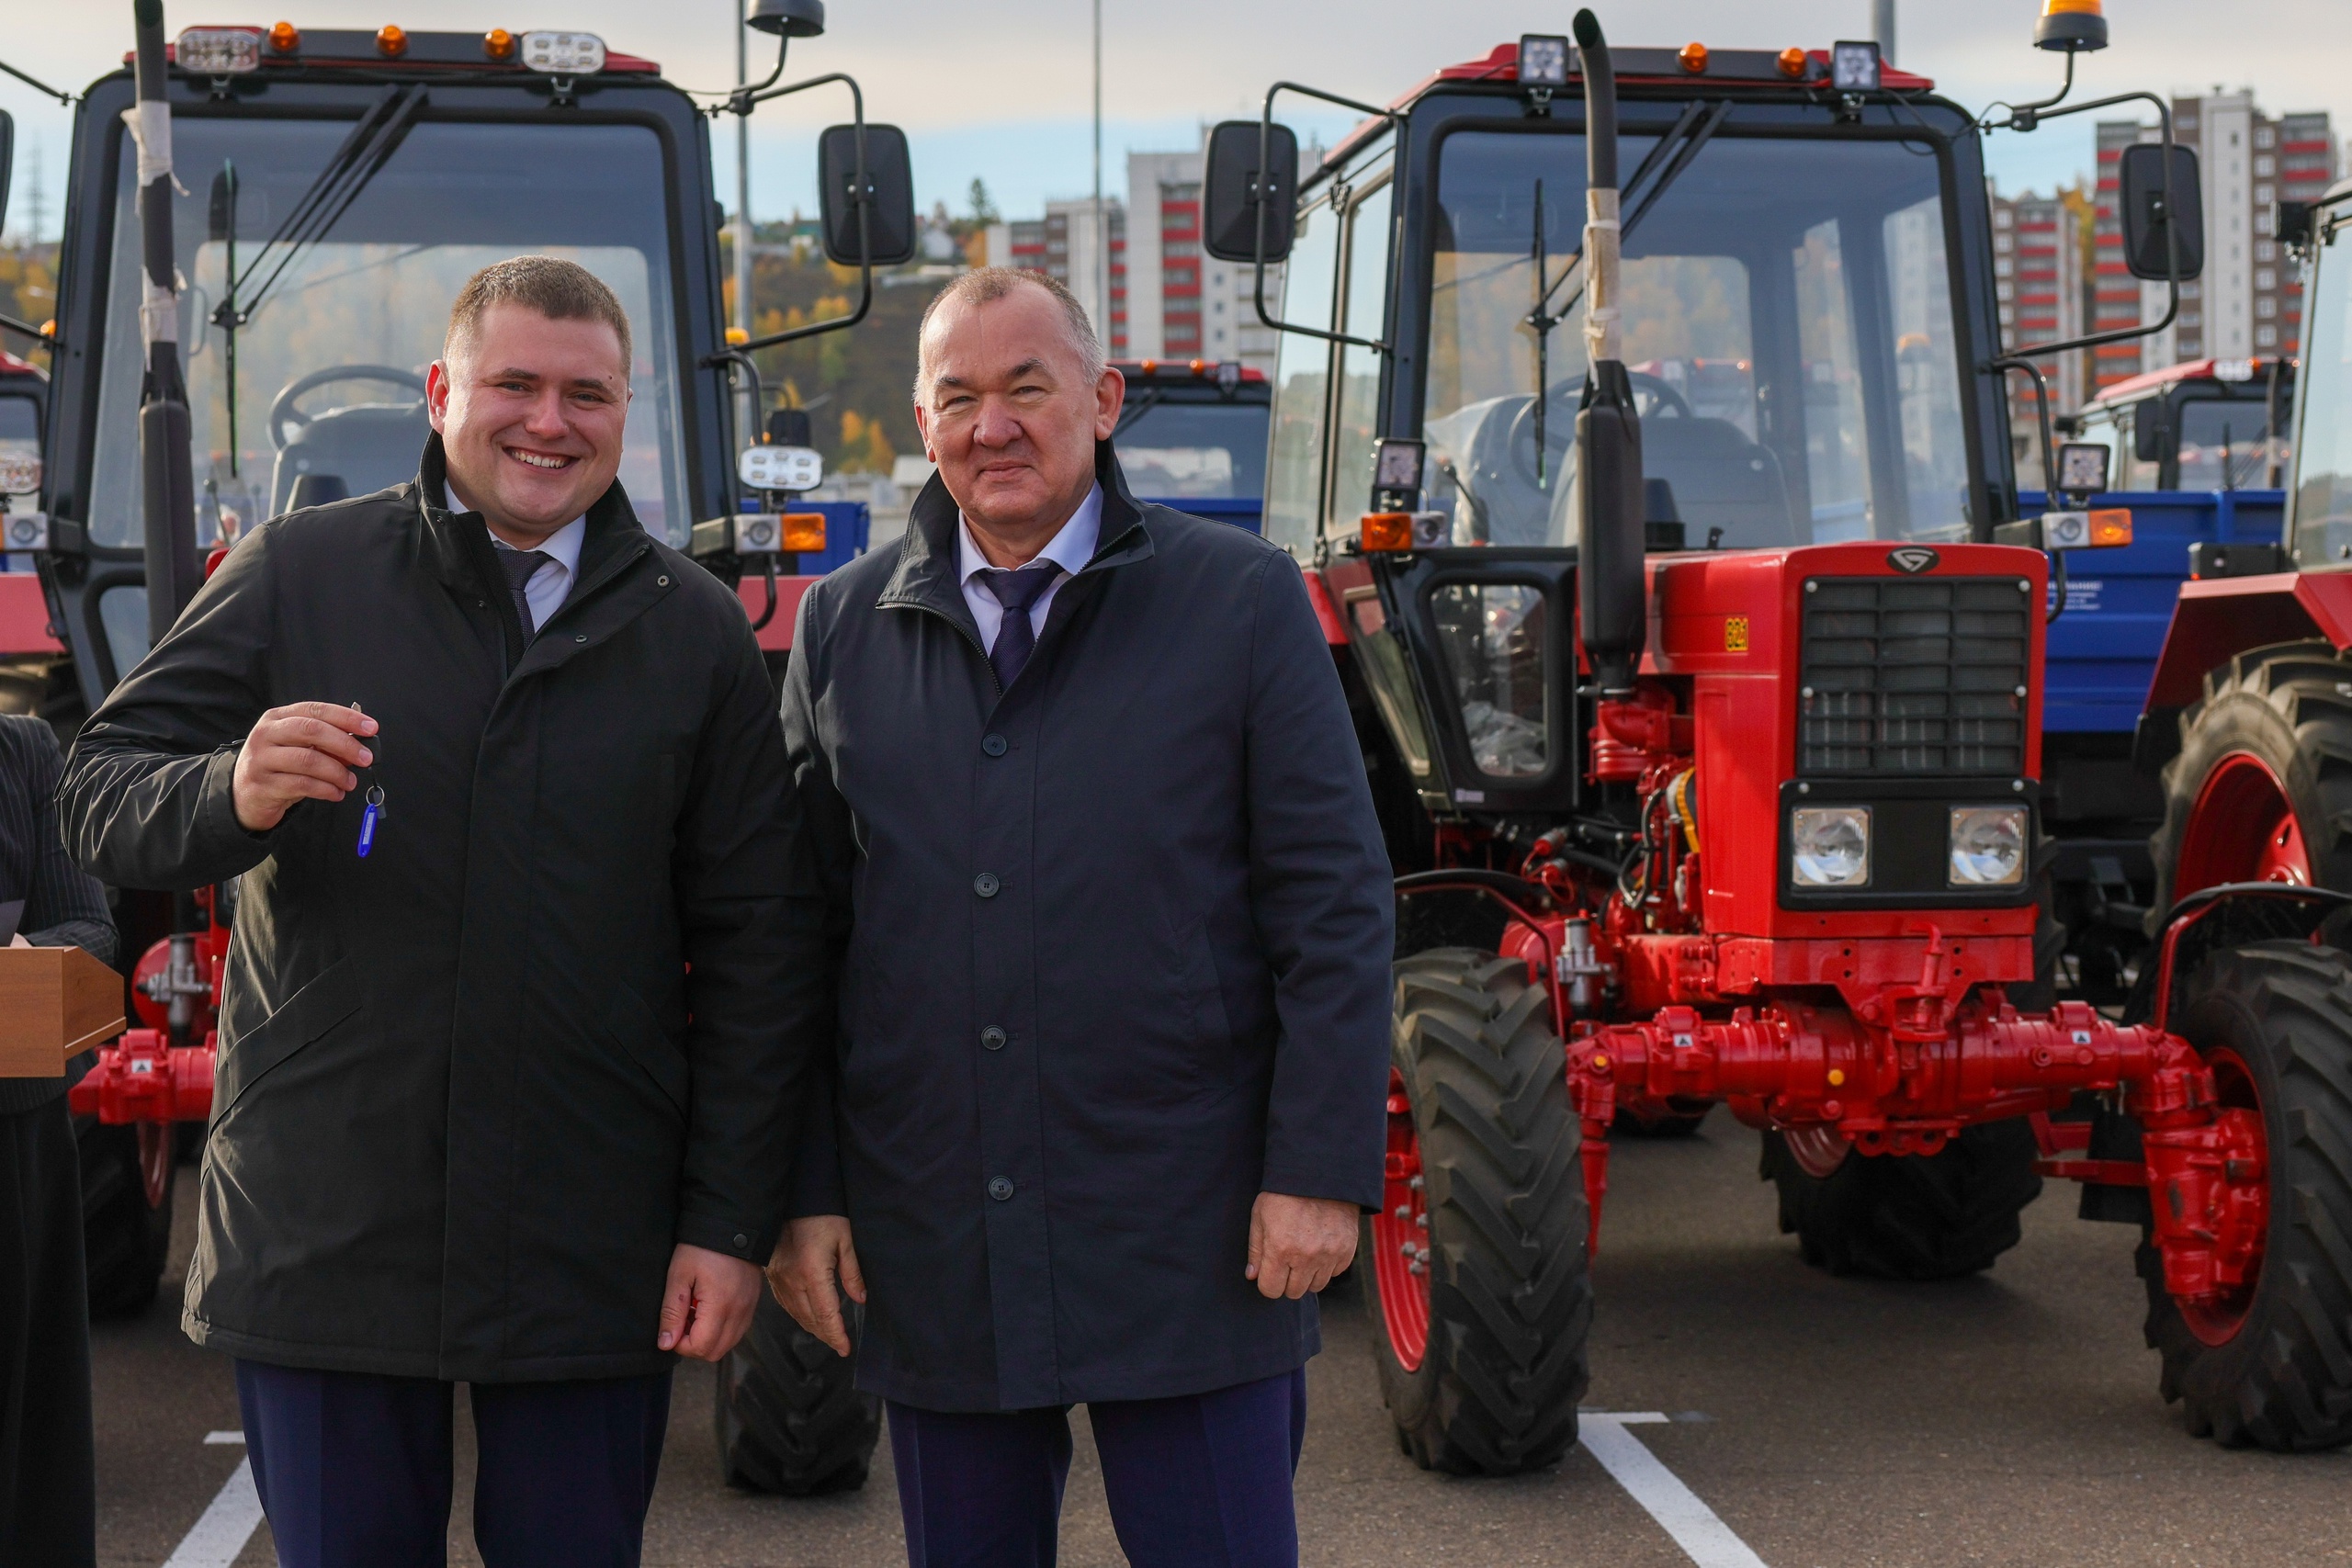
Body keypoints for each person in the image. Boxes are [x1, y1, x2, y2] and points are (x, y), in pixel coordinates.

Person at [58, 256, 828, 1568]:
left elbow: (765, 945)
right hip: (329, 1225)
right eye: (513, 383)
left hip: (592, 1236)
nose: (548, 420)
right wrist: (228, 789)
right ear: (439, 392)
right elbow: (96, 790)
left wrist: (724, 1220)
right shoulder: (299, 572)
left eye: (586, 393)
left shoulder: (693, 631)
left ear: (626, 413)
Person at [770, 267, 1393, 1566]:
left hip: (1194, 1227)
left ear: (1103, 401)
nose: (991, 425)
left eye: (1026, 389)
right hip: (938, 1234)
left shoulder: (1242, 599)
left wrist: (1320, 1169)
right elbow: (797, 938)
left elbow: (1332, 904)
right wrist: (806, 1190)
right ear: (921, 422)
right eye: (958, 397)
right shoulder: (840, 627)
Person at [0, 715, 119, 1568]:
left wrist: (18, 963)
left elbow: (93, 944)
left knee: (25, 1471)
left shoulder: (26, 753)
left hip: (14, 1151)